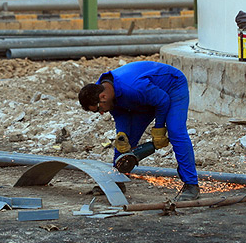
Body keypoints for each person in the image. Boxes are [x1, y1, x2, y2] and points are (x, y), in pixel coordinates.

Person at [79, 61, 200, 201]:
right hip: (146, 98)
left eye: (99, 109)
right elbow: (119, 113)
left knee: (175, 131)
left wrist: (159, 128)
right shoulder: (103, 89)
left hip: (171, 87)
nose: (101, 113)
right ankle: (118, 181)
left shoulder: (133, 88)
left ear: (103, 97)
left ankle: (191, 185)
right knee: (123, 141)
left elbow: (163, 100)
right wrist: (122, 134)